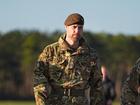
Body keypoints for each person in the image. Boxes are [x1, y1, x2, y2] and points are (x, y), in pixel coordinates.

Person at [33, 13, 104, 105]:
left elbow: (97, 84)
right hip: (55, 101)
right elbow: (39, 78)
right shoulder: (50, 51)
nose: (77, 31)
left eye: (80, 27)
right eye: (74, 27)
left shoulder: (91, 54)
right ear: (66, 27)